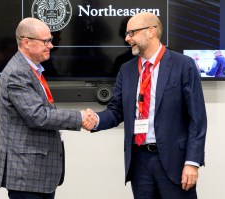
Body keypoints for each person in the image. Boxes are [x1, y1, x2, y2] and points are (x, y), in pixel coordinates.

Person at [86, 12, 207, 199]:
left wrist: (192, 162)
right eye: (127, 34)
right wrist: (96, 120)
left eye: (131, 33)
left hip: (174, 160)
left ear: (151, 31)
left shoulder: (183, 65)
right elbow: (116, 110)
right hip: (139, 162)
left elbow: (197, 119)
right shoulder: (126, 69)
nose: (127, 38)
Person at [0, 17, 94, 199]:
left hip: (38, 174)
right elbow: (38, 116)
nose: (50, 46)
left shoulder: (32, 69)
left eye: (50, 40)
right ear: (26, 42)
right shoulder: (17, 72)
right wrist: (80, 117)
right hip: (27, 174)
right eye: (46, 41)